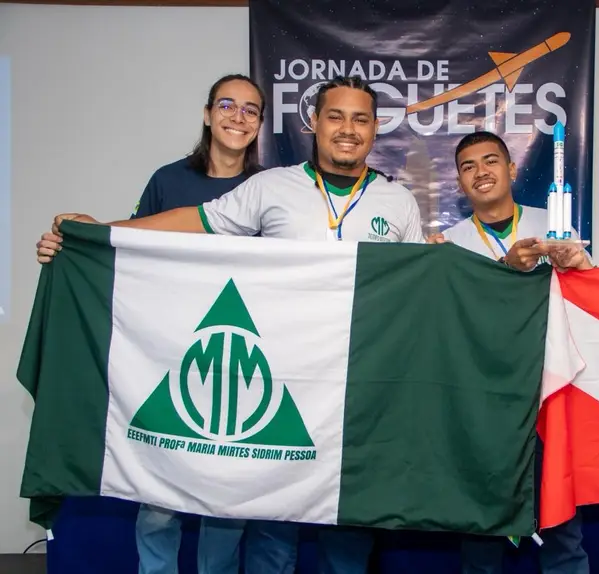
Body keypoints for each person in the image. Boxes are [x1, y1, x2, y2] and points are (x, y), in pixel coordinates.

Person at [36, 75, 425, 574]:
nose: (347, 128)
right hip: (283, 384)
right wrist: (100, 232)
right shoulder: (270, 187)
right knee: (271, 528)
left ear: (374, 129)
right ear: (313, 123)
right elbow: (194, 222)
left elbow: (421, 287)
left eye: (360, 118)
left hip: (358, 390)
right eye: (335, 115)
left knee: (348, 533)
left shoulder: (399, 202)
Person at [36, 72, 300, 574]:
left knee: (226, 501)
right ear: (207, 114)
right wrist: (75, 243)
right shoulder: (168, 180)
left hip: (242, 357)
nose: (237, 117)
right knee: (159, 499)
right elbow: (130, 249)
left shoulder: (273, 188)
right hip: (171, 355)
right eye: (227, 105)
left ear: (261, 123)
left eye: (250, 109)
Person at [428, 130, 591, 574]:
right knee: (481, 539)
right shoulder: (449, 246)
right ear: (459, 183)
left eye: (491, 161)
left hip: (547, 398)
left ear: (512, 168)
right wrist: (502, 269)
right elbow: (440, 327)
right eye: (468, 166)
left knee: (563, 534)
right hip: (479, 409)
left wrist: (577, 265)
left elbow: (587, 303)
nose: (481, 172)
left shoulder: (552, 224)